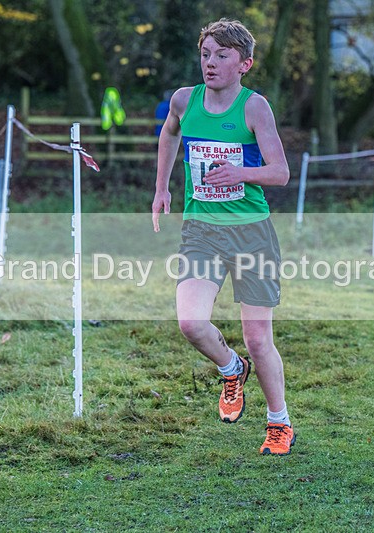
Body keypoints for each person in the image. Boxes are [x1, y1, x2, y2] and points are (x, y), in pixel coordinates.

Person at [151, 19, 293, 455]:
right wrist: (161, 188)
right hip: (202, 231)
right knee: (191, 323)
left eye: (222, 55)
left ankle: (279, 422)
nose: (210, 63)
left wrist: (241, 173)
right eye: (205, 54)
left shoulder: (255, 108)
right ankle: (232, 369)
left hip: (252, 234)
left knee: (258, 339)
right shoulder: (183, 100)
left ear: (244, 64)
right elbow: (169, 134)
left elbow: (280, 173)